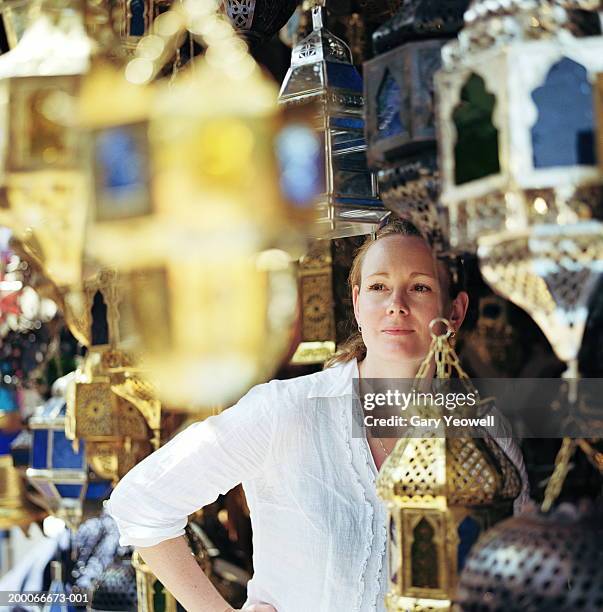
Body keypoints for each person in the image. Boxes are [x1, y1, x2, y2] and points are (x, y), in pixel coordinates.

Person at [105, 218, 529, 612]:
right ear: (358, 302)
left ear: (454, 311)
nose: (396, 304)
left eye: (419, 287)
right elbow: (141, 503)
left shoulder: (484, 432)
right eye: (380, 287)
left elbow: (515, 569)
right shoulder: (285, 411)